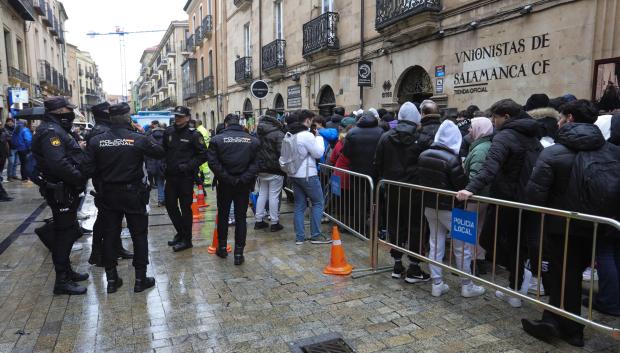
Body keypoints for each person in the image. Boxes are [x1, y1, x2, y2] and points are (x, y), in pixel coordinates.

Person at [521, 99, 614, 347]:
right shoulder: (611, 151)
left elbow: (534, 195)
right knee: (570, 274)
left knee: (566, 275)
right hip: (596, 226)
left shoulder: (553, 152)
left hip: (561, 227)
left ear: (570, 118)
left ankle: (571, 329)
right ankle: (555, 320)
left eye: (562, 116)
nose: (559, 120)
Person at [456, 99, 543, 308]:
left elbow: (489, 166)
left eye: (495, 117)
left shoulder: (505, 136)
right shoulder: (533, 136)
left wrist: (471, 188)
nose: (492, 121)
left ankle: (516, 287)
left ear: (507, 117)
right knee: (516, 245)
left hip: (510, 199)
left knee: (493, 240)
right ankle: (516, 287)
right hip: (527, 199)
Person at [84, 103, 165, 293]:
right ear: (127, 118)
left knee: (110, 235)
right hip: (132, 194)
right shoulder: (137, 138)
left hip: (108, 195)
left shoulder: (96, 141)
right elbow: (159, 152)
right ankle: (140, 279)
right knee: (139, 235)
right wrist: (142, 134)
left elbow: (87, 169)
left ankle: (112, 280)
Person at [417, 120, 486, 298]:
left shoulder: (423, 154)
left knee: (435, 244)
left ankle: (437, 283)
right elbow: (461, 184)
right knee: (462, 247)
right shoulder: (451, 159)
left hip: (430, 207)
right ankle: (466, 285)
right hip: (451, 209)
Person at [31, 97, 89, 295]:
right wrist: (79, 177)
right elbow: (58, 163)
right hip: (61, 189)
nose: (70, 112)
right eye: (67, 109)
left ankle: (67, 272)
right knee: (64, 234)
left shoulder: (57, 129)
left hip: (64, 188)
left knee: (69, 230)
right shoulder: (51, 132)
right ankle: (62, 281)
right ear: (59, 110)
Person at [374, 101, 430, 283]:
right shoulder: (422, 139)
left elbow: (378, 163)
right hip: (415, 192)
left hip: (392, 190)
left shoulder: (385, 137)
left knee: (395, 225)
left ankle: (397, 264)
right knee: (416, 228)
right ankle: (414, 267)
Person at [86, 102, 134, 267]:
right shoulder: (101, 131)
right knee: (104, 220)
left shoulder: (103, 129)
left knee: (114, 219)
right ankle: (97, 253)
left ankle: (116, 248)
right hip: (105, 182)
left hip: (106, 181)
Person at [207, 114, 259, 265]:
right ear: (240, 124)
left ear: (226, 124)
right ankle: (238, 253)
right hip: (242, 184)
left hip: (225, 183)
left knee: (223, 214)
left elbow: (213, 162)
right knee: (241, 217)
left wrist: (227, 177)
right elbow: (257, 163)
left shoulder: (217, 139)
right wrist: (243, 178)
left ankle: (222, 247)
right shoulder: (252, 140)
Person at [163, 106, 209, 252]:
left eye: (181, 116)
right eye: (176, 116)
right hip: (170, 176)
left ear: (188, 118)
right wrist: (163, 164)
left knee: (185, 209)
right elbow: (163, 150)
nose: (177, 118)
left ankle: (187, 240)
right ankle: (181, 232)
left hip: (185, 178)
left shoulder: (194, 134)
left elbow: (203, 155)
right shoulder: (169, 131)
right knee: (170, 205)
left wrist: (188, 166)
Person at [285, 110, 330, 245]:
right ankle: (316, 235)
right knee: (318, 203)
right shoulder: (306, 135)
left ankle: (300, 237)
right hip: (307, 175)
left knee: (299, 205)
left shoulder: (289, 134)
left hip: (294, 174)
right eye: (312, 120)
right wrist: (319, 138)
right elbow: (318, 153)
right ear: (308, 120)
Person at [462, 117, 494, 275]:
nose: (468, 130)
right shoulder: (483, 146)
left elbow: (476, 174)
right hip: (482, 196)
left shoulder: (481, 149)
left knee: (468, 230)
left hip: (475, 197)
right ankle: (477, 261)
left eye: (472, 127)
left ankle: (468, 263)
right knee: (478, 229)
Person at [254, 112, 286, 232]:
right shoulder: (278, 133)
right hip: (275, 169)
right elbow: (282, 152)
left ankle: (258, 220)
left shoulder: (258, 133)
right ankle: (274, 222)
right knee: (274, 195)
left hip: (261, 169)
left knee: (262, 193)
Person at [145, 120, 166, 206]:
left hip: (152, 165)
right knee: (162, 182)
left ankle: (154, 200)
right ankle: (162, 199)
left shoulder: (148, 138)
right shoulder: (165, 138)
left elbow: (145, 154)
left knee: (154, 183)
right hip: (163, 164)